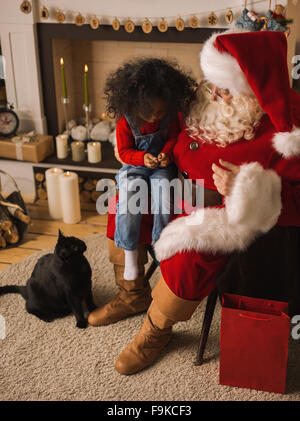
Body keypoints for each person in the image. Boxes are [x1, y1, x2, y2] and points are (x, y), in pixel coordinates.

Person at [111, 29, 300, 375]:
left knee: (190, 253)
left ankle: (156, 329)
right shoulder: (201, 100)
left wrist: (242, 186)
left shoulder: (287, 130)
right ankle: (132, 291)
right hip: (174, 184)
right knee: (124, 202)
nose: (212, 93)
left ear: (252, 90)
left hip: (222, 211)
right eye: (210, 82)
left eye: (224, 88)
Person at [88, 57, 197, 326]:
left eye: (160, 113)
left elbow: (174, 137)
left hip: (161, 166)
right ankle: (131, 264)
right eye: (149, 113)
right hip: (134, 166)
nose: (155, 118)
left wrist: (165, 154)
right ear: (134, 104)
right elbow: (124, 152)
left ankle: (161, 248)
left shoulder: (170, 116)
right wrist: (141, 158)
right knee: (129, 196)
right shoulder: (126, 121)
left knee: (163, 193)